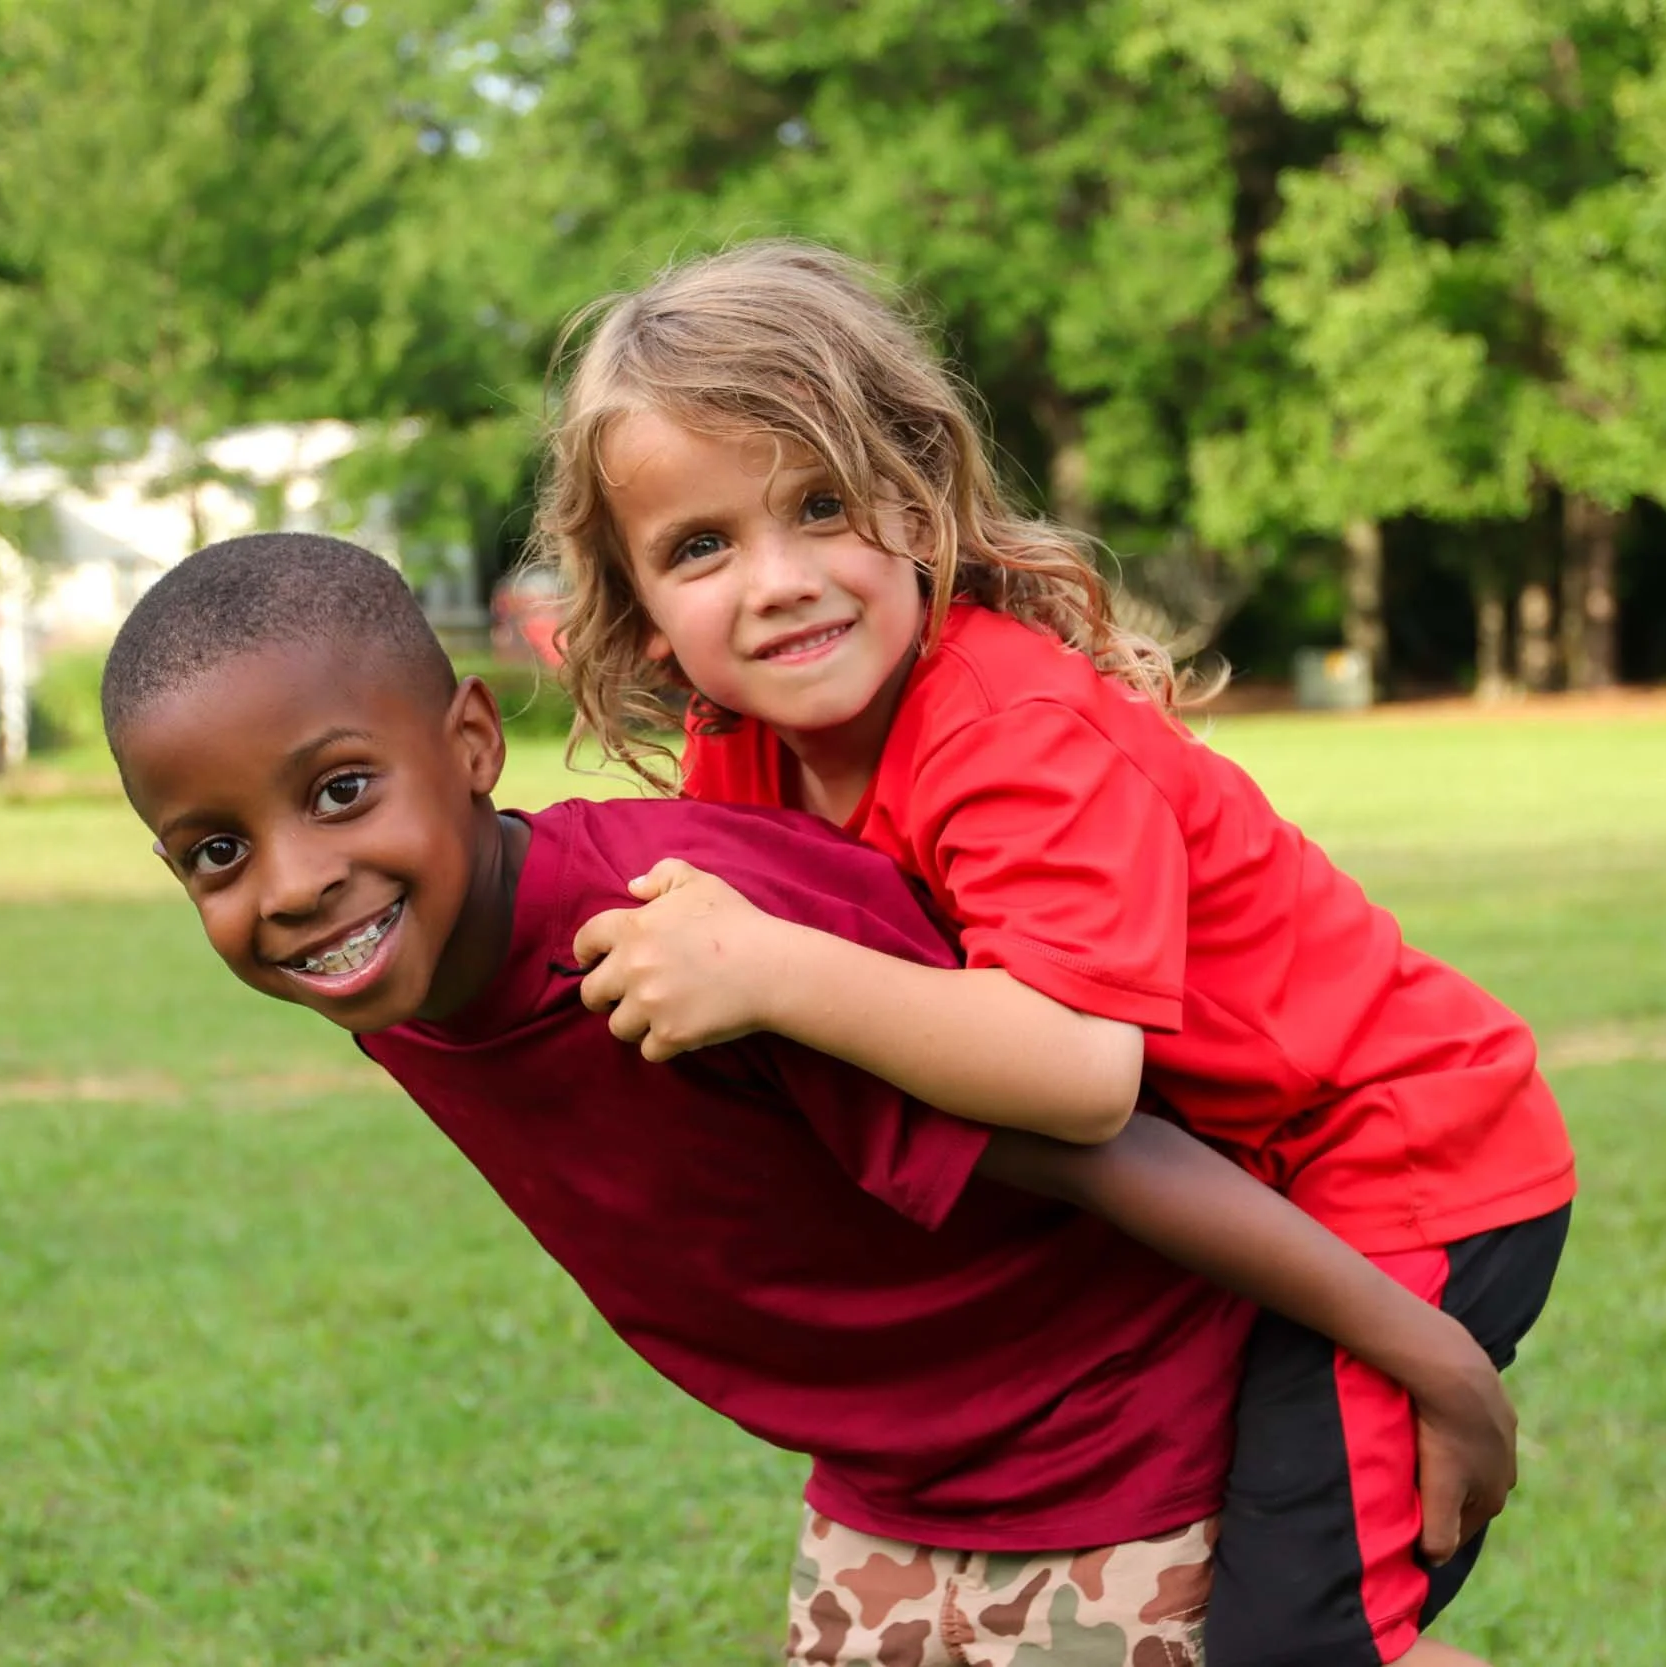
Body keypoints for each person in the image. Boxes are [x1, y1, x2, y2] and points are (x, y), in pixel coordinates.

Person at [102, 532, 1519, 1667]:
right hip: (897, 1478)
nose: (292, 883)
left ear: (473, 743)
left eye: (343, 790)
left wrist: (1430, 1356)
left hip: (1113, 1444)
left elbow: (1096, 1144)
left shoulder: (687, 934)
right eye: (216, 850)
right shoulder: (393, 965)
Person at [535, 241, 1578, 1667]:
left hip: (1409, 1160)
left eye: (820, 506)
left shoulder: (1005, 729)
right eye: (701, 545)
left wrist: (769, 969)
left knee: (1292, 1644)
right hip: (1246, 1186)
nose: (775, 582)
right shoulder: (745, 754)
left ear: (914, 499)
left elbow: (1080, 1069)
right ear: (636, 602)